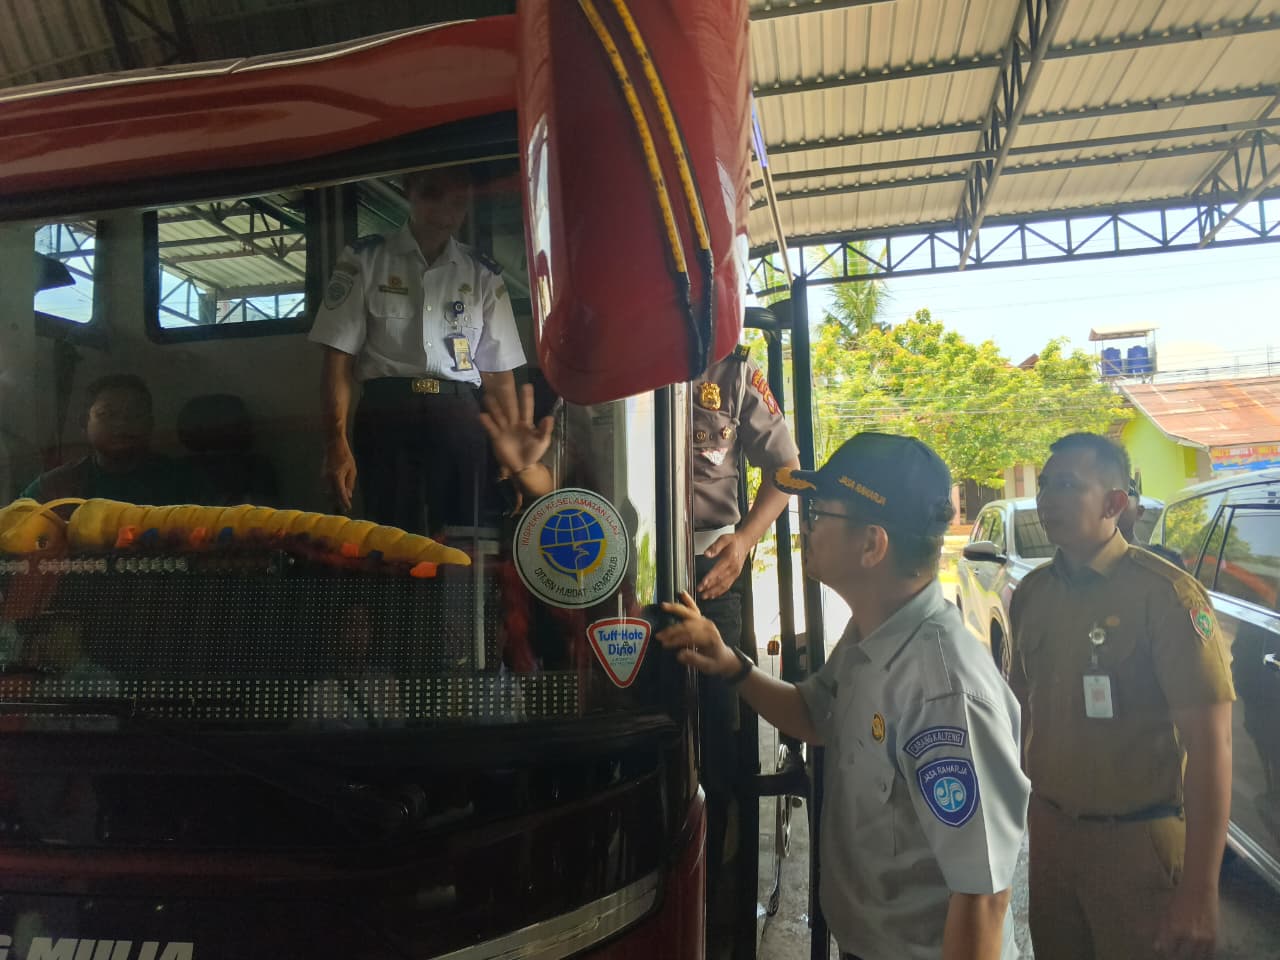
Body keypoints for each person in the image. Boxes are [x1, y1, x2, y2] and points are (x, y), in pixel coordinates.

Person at [657, 432, 1029, 960]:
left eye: (817, 513)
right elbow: (817, 714)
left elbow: (983, 897)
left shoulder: (944, 691)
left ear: (872, 544)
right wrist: (731, 665)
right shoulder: (872, 633)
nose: (806, 527)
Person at [1009, 432, 1235, 960]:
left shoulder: (1166, 596)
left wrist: (1200, 893)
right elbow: (1021, 710)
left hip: (1138, 848)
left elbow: (1211, 745)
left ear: (1114, 503)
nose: (1046, 499)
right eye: (1044, 485)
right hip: (1052, 837)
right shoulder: (1034, 594)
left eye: (1067, 485)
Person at [309, 165, 526, 534]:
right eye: (432, 193)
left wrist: (514, 454)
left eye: (458, 200)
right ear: (408, 190)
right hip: (386, 413)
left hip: (459, 414)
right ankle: (397, 595)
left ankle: (457, 595)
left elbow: (498, 375)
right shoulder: (365, 260)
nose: (446, 209)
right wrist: (336, 442)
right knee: (390, 538)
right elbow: (338, 362)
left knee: (464, 538)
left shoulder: (482, 274)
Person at [20, 373, 202, 505]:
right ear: (84, 422)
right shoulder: (54, 487)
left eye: (135, 414)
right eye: (107, 414)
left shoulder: (184, 481)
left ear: (151, 424)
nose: (122, 423)